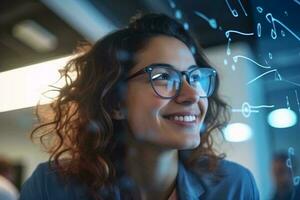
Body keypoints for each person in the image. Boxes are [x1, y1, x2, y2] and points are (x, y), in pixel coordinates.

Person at [19, 13, 259, 200]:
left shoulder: (232, 187)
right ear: (114, 102)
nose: (192, 95)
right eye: (164, 76)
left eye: (195, 77)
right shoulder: (52, 187)